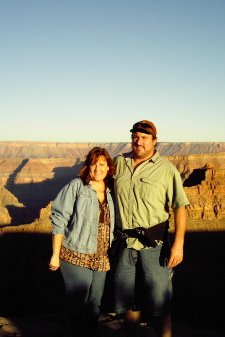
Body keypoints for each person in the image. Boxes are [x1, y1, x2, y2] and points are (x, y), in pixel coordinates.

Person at [112, 120, 189, 337]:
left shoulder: (166, 169)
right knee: (129, 303)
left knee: (159, 304)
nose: (139, 141)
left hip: (154, 244)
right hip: (124, 243)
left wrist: (179, 244)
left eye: (145, 137)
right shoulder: (118, 163)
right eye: (135, 136)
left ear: (155, 141)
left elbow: (180, 207)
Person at [48, 147, 115, 337]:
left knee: (95, 304)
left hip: (102, 256)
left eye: (102, 164)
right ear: (88, 166)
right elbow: (59, 218)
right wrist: (55, 255)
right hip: (75, 254)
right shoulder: (76, 186)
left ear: (108, 167)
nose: (97, 168)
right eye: (94, 164)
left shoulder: (111, 189)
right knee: (78, 304)